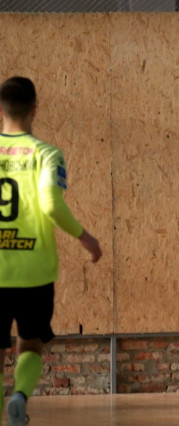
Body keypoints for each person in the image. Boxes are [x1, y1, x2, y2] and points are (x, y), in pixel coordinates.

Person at [0, 76, 102, 425]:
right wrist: (85, 237)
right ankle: (19, 396)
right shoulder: (47, 154)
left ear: (1, 110)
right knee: (30, 343)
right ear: (35, 109)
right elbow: (50, 204)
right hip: (34, 271)